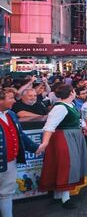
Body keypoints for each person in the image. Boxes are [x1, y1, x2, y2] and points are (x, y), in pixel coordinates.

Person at [37, 84, 87, 209]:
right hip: (64, 138)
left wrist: (84, 127)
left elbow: (77, 119)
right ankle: (65, 198)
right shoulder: (60, 107)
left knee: (68, 165)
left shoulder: (70, 105)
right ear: (71, 92)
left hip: (72, 136)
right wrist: (45, 143)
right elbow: (50, 126)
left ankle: (60, 195)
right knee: (67, 165)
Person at [0, 87, 39, 217]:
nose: (14, 101)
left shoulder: (10, 114)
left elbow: (20, 135)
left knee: (6, 193)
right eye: (10, 98)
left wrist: (36, 148)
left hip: (11, 162)